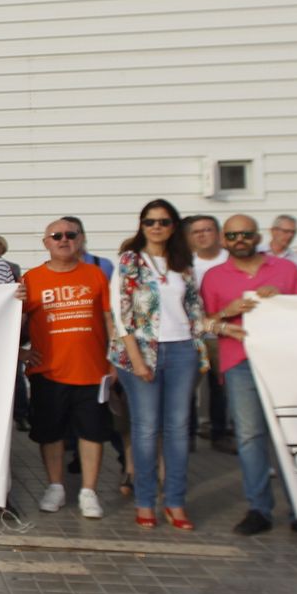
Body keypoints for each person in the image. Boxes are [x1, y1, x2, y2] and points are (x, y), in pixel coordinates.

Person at [197, 214, 297, 540]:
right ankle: (259, 509)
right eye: (232, 235)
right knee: (250, 437)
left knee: (290, 436)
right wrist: (228, 313)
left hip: (283, 362)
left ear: (257, 236)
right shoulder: (214, 276)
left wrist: (281, 302)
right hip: (240, 362)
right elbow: (203, 323)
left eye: (246, 234)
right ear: (224, 239)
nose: (239, 240)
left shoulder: (286, 270)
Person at [111, 199, 206, 531]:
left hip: (182, 350)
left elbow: (195, 310)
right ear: (142, 225)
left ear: (173, 226)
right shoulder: (130, 261)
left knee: (178, 429)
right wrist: (137, 360)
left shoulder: (183, 263)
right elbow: (121, 314)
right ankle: (145, 501)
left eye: (163, 222)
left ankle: (175, 501)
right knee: (146, 429)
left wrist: (204, 347)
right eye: (150, 221)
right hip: (142, 351)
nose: (156, 227)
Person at [22, 219, 114, 519]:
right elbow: (13, 321)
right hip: (48, 371)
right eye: (56, 235)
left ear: (81, 239)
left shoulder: (96, 275)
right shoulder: (31, 279)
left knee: (92, 433)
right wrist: (20, 354)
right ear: (46, 242)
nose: (64, 240)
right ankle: (55, 486)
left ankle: (89, 491)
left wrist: (115, 359)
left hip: (92, 370)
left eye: (70, 235)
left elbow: (109, 320)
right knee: (50, 433)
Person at [184, 214, 231, 453]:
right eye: (197, 231)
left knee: (220, 387)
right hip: (193, 334)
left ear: (219, 234)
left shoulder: (230, 260)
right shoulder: (185, 264)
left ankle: (219, 433)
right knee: (187, 388)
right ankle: (188, 436)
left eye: (207, 230)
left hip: (223, 334)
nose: (202, 235)